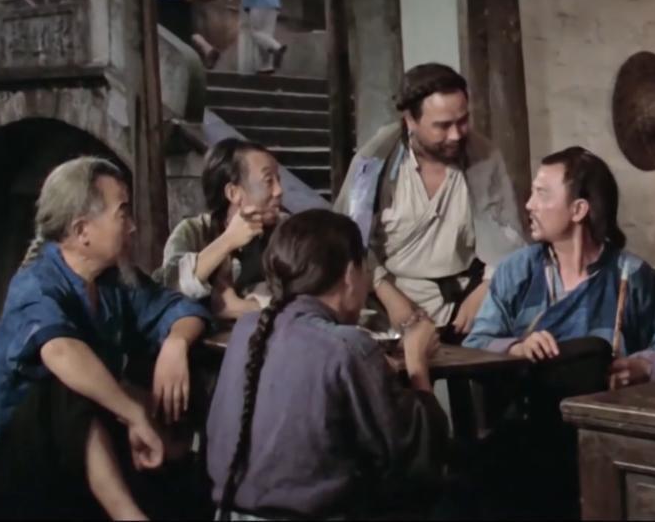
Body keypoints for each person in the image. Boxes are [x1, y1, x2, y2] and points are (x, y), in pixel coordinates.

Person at [0, 157, 211, 519]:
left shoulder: (116, 282)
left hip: (96, 452)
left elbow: (180, 308)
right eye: (122, 214)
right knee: (66, 388)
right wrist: (133, 413)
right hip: (23, 464)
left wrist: (176, 345)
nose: (132, 227)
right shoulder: (35, 284)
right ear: (82, 230)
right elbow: (61, 352)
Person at [206, 209, 448, 519]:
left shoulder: (245, 330)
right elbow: (419, 455)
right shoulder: (348, 347)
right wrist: (417, 362)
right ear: (350, 275)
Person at [464, 146, 655, 387]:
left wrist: (644, 367)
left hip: (607, 408)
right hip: (532, 408)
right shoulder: (516, 271)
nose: (529, 204)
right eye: (532, 193)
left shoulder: (631, 276)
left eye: (542, 194)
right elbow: (475, 346)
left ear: (579, 209)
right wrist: (517, 349)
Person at [333, 63, 527, 339]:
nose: (456, 134)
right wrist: (387, 294)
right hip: (389, 305)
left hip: (464, 302)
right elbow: (349, 239)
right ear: (410, 120)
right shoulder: (373, 162)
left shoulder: (484, 157)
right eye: (442, 126)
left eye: (463, 121)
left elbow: (508, 237)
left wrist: (486, 290)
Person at [156, 139, 284, 322]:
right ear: (233, 193)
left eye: (278, 180)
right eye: (269, 181)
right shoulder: (193, 231)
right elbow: (169, 288)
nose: (279, 191)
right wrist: (228, 241)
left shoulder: (286, 231)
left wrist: (243, 308)